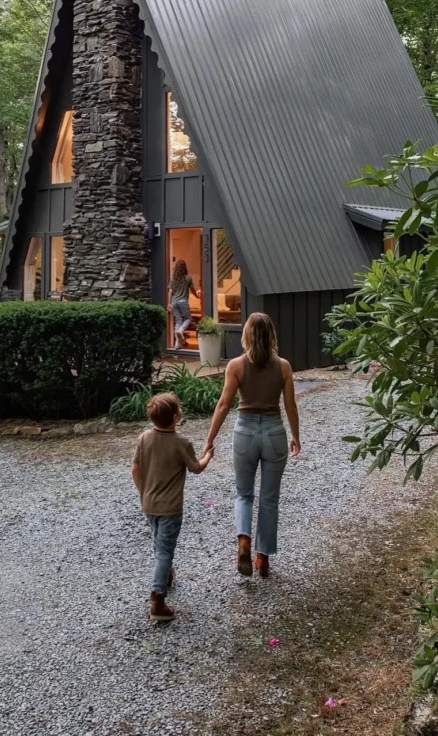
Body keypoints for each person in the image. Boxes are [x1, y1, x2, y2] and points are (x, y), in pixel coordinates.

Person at [203, 313, 301, 578]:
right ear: (271, 336)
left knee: (243, 494)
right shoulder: (283, 367)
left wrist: (210, 438)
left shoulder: (235, 366)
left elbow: (224, 404)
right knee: (269, 499)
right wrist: (296, 436)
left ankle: (244, 541)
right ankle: (262, 557)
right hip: (273, 432)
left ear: (246, 335)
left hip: (244, 432)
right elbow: (290, 405)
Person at [132, 392, 213, 621]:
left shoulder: (143, 438)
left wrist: (143, 494)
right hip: (170, 508)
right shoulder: (181, 443)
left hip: (148, 504)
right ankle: (158, 599)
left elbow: (135, 469)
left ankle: (166, 575)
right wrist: (208, 456)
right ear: (177, 416)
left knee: (159, 544)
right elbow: (196, 468)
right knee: (165, 551)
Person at [167, 259, 199, 349]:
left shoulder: (173, 279)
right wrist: (197, 296)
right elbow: (192, 290)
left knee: (178, 321)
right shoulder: (188, 278)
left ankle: (177, 344)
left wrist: (169, 303)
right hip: (183, 301)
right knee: (188, 318)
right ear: (184, 268)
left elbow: (170, 292)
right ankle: (181, 331)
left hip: (174, 302)